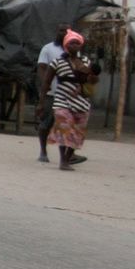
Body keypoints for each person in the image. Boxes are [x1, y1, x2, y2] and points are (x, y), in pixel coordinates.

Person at [50, 29, 96, 171]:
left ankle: (69, 157)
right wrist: (40, 102)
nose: (74, 46)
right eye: (71, 43)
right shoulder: (57, 62)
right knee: (64, 129)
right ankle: (63, 161)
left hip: (82, 102)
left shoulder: (86, 61)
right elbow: (47, 81)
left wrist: (86, 74)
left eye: (77, 43)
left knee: (77, 133)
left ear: (81, 45)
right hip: (62, 99)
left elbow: (93, 80)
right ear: (66, 45)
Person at [34, 24, 68, 163]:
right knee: (46, 123)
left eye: (67, 31)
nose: (64, 33)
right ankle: (43, 150)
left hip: (67, 94)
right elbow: (41, 68)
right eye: (62, 30)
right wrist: (45, 85)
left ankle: (66, 156)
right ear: (56, 32)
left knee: (66, 125)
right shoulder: (48, 49)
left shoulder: (72, 50)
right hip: (51, 92)